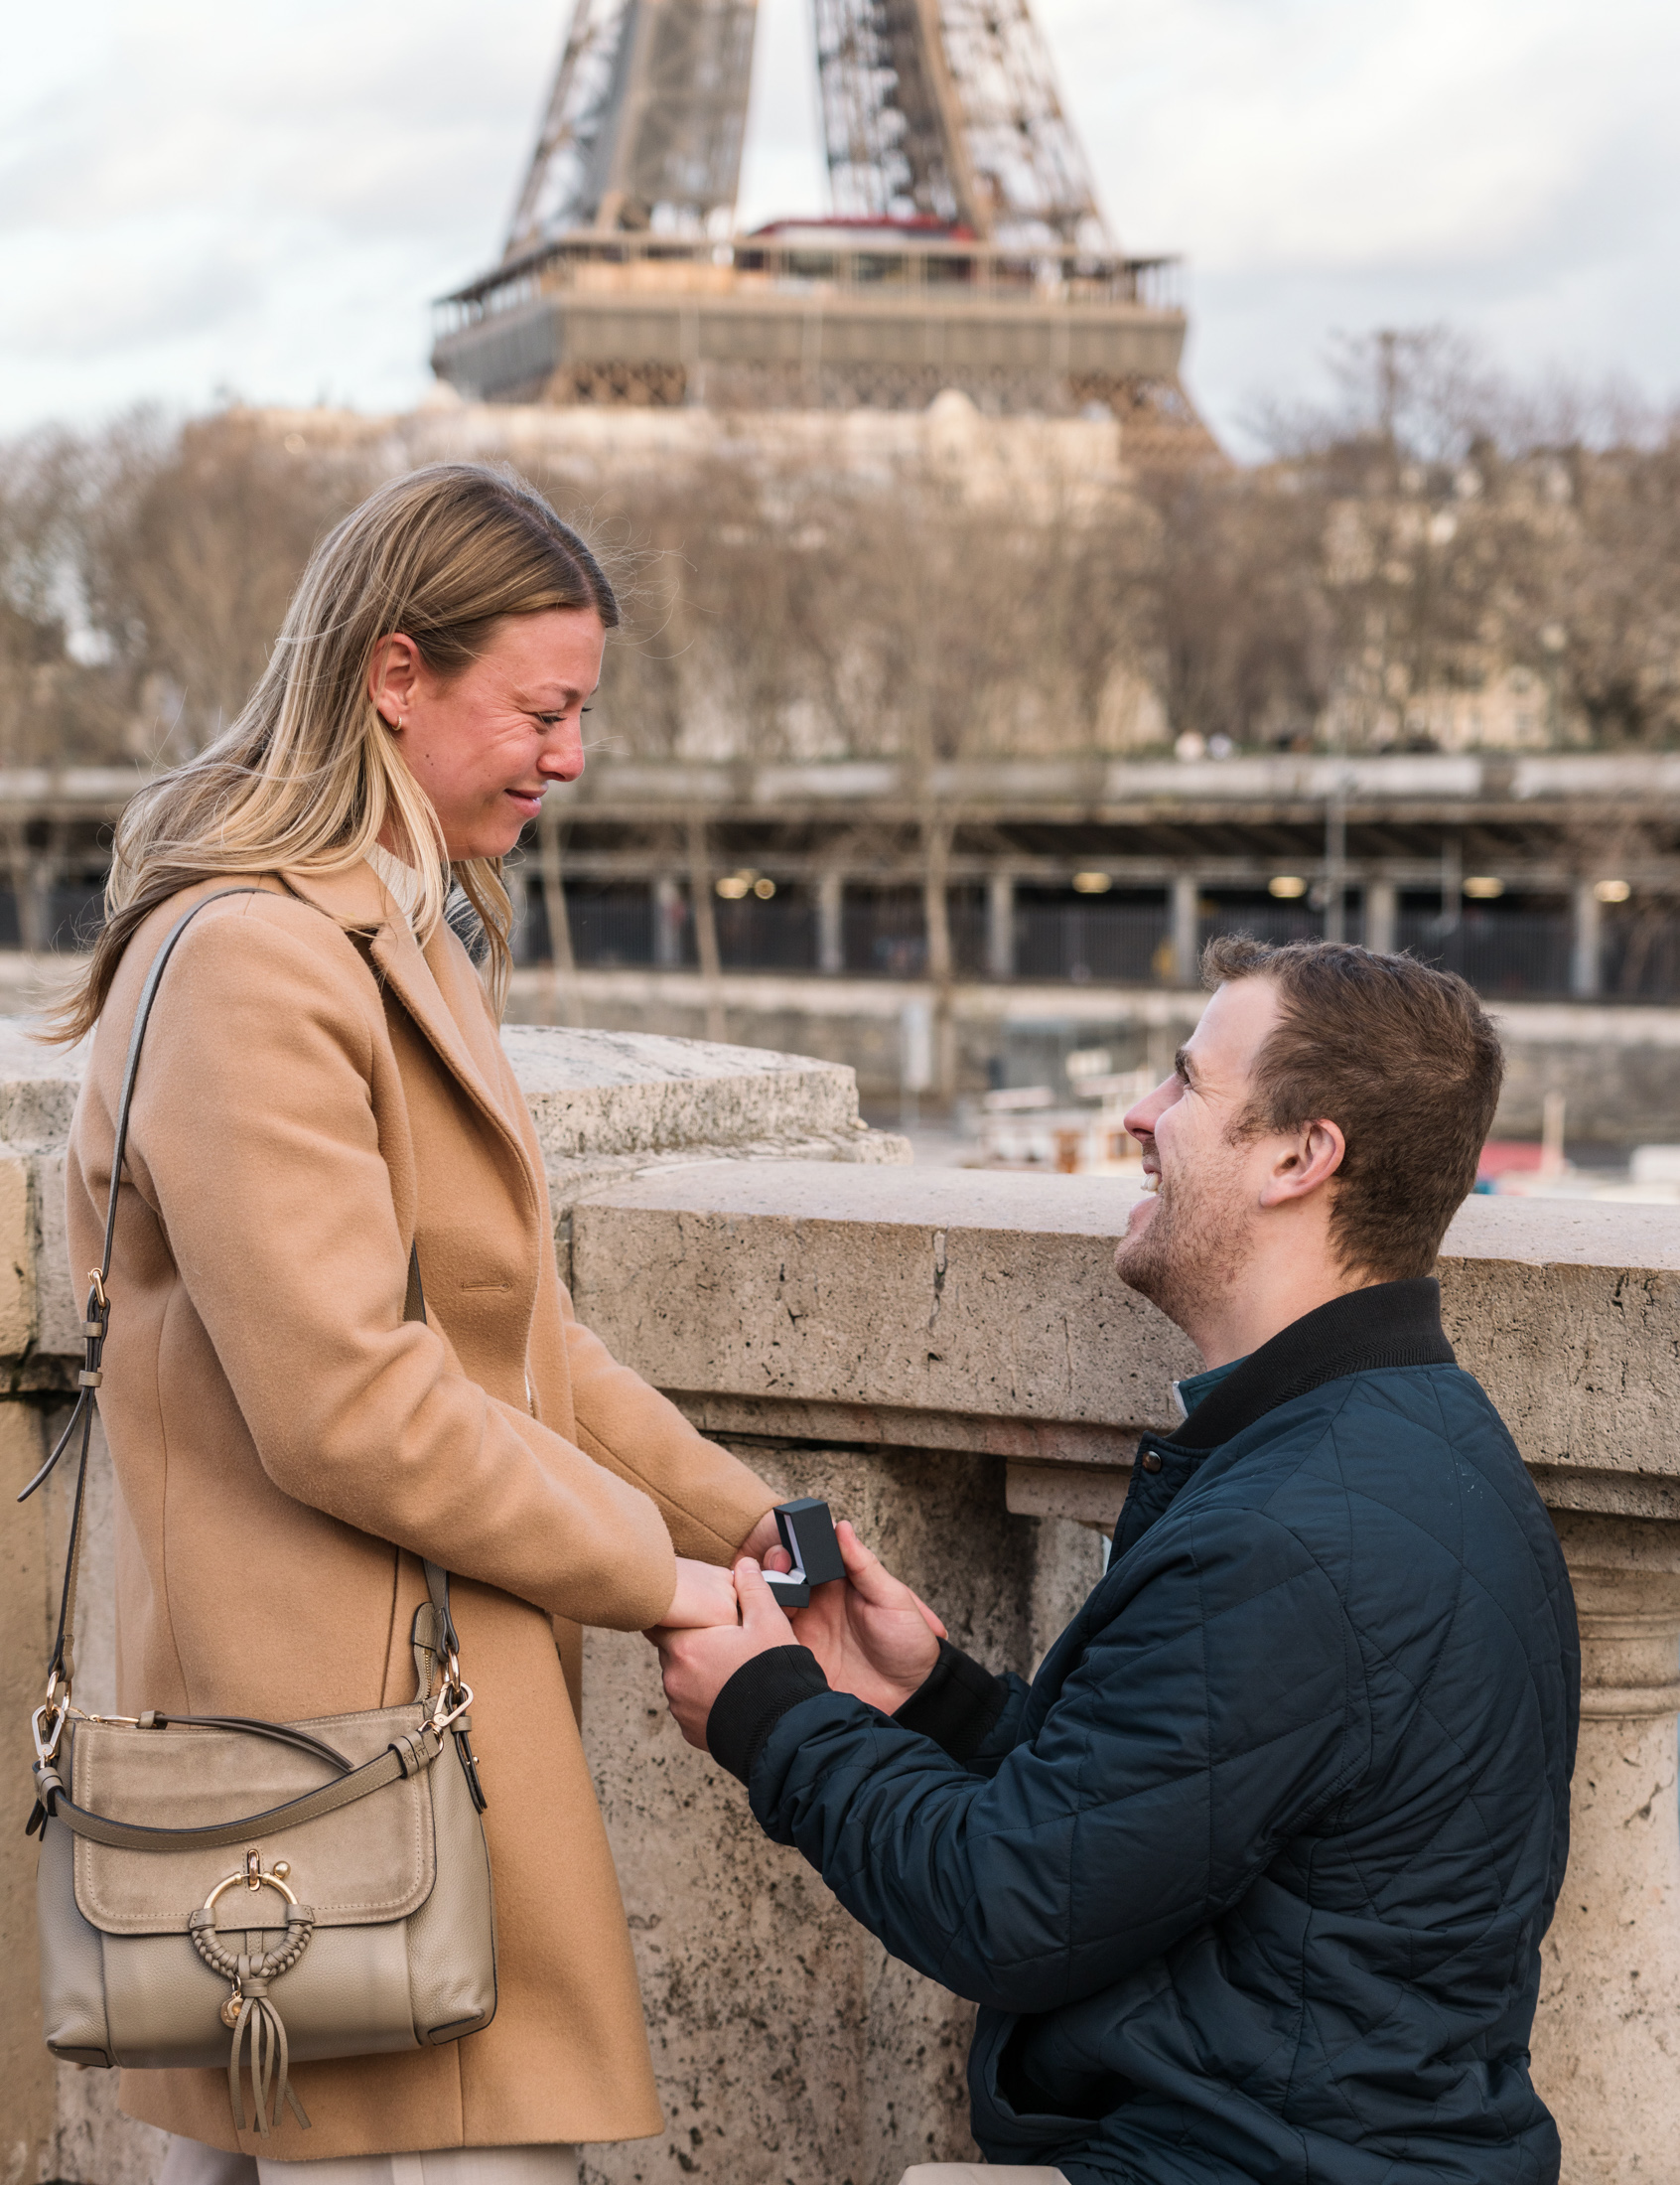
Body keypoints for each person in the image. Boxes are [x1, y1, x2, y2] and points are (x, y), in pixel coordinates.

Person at [56, 465, 786, 2183]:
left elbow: (511, 1337)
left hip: (368, 1755)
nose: (570, 756)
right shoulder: (257, 955)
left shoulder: (381, 936)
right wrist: (668, 1582)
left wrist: (761, 1529)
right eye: (542, 707)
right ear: (396, 675)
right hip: (325, 1784)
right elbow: (351, 1404)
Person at [656, 938, 1581, 2185]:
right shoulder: (1413, 1437)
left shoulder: (1291, 1537)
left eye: (1186, 1086)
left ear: (1302, 1157)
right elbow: (1170, 1818)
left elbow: (1006, 1905)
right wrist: (941, 1699)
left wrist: (773, 1717)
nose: (1140, 1115)